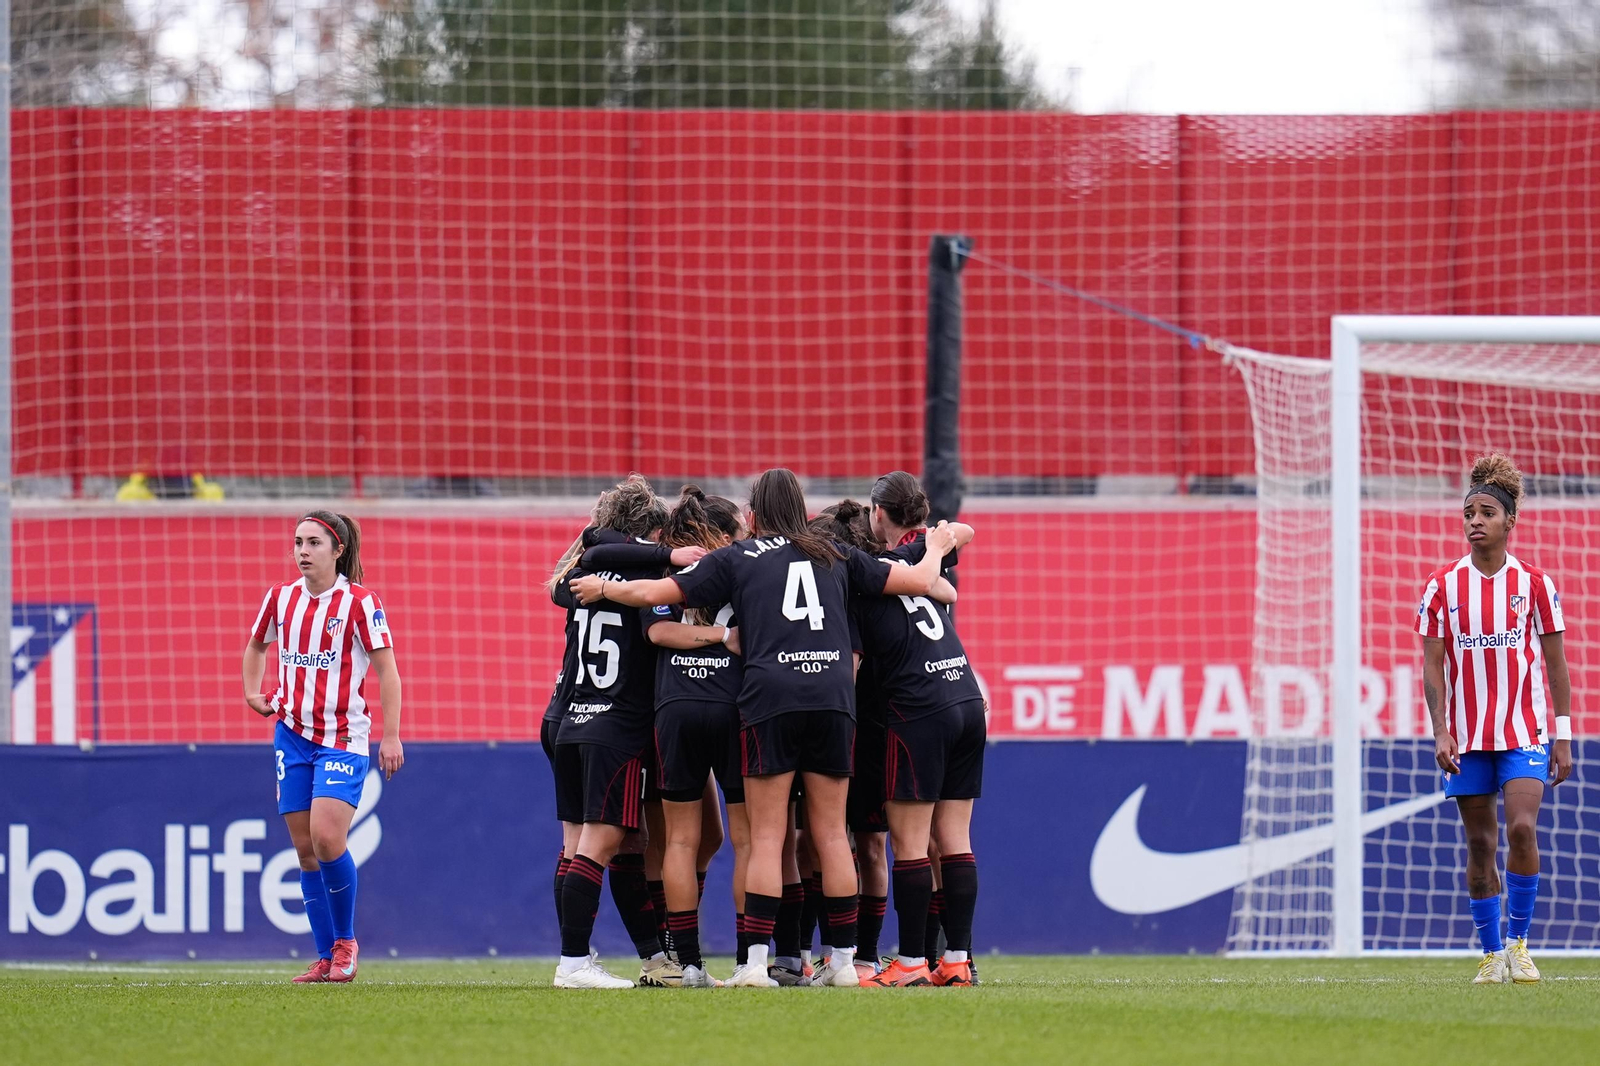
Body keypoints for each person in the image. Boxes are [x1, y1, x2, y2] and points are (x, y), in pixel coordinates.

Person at [572, 468, 958, 988]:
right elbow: (916, 581)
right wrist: (935, 547)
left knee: (768, 836)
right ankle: (844, 964)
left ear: (752, 517)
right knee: (829, 835)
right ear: (801, 510)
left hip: (767, 703)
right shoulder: (835, 554)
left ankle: (752, 964)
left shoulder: (739, 557)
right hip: (832, 701)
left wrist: (601, 587)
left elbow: (655, 595)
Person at [1418, 453, 1574, 985]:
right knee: (1480, 845)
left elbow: (1556, 665)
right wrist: (1440, 729)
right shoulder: (1441, 587)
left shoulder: (1535, 584)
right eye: (1468, 513)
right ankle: (1490, 956)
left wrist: (1564, 734)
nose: (1475, 521)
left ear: (1509, 521)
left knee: (1523, 829)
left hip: (1523, 733)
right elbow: (1432, 665)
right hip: (1467, 739)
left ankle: (1519, 944)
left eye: (1486, 512)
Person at [546, 476, 701, 989]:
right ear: (652, 531)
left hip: (572, 718)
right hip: (615, 724)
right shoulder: (648, 578)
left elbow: (590, 549)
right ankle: (573, 964)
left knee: (584, 847)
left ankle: (648, 957)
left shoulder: (585, 570)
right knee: (603, 842)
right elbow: (659, 630)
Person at [243, 511, 403, 984]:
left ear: (338, 551)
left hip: (341, 738)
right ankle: (323, 954)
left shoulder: (360, 603)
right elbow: (256, 647)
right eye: (297, 542)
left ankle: (346, 941)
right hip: (290, 735)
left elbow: (387, 672)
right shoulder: (280, 598)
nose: (303, 551)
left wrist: (390, 735)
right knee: (305, 850)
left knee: (328, 838)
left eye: (314, 542)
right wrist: (254, 693)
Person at [853, 473, 982, 987]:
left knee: (908, 845)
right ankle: (956, 959)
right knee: (954, 840)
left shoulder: (860, 577)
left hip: (919, 708)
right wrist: (937, 546)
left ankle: (909, 962)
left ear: (876, 513)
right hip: (967, 697)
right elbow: (960, 539)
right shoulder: (918, 557)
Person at [634, 487, 745, 987]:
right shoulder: (738, 567)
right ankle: (751, 960)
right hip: (729, 704)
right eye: (741, 532)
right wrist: (723, 638)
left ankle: (690, 965)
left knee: (688, 838)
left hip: (676, 707)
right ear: (723, 534)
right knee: (748, 839)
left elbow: (658, 633)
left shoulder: (661, 570)